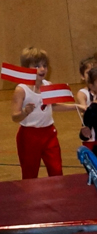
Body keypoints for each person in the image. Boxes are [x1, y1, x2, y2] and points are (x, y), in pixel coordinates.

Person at [11, 48, 60, 178]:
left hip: (49, 132)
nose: (42, 69)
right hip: (29, 135)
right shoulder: (21, 89)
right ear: (26, 69)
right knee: (30, 173)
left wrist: (77, 107)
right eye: (37, 66)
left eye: (45, 65)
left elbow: (54, 106)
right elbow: (15, 117)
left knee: (56, 170)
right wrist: (25, 112)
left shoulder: (48, 85)